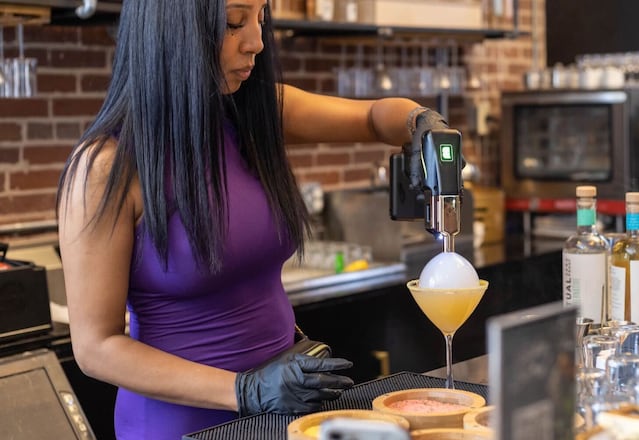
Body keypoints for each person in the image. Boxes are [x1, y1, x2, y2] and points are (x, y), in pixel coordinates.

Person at [55, 0, 451, 439]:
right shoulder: (105, 168)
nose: (257, 43)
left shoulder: (253, 113)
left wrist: (420, 122)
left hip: (281, 416)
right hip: (181, 426)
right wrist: (245, 390)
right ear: (171, 27)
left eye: (261, 19)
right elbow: (95, 348)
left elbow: (375, 118)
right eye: (233, 23)